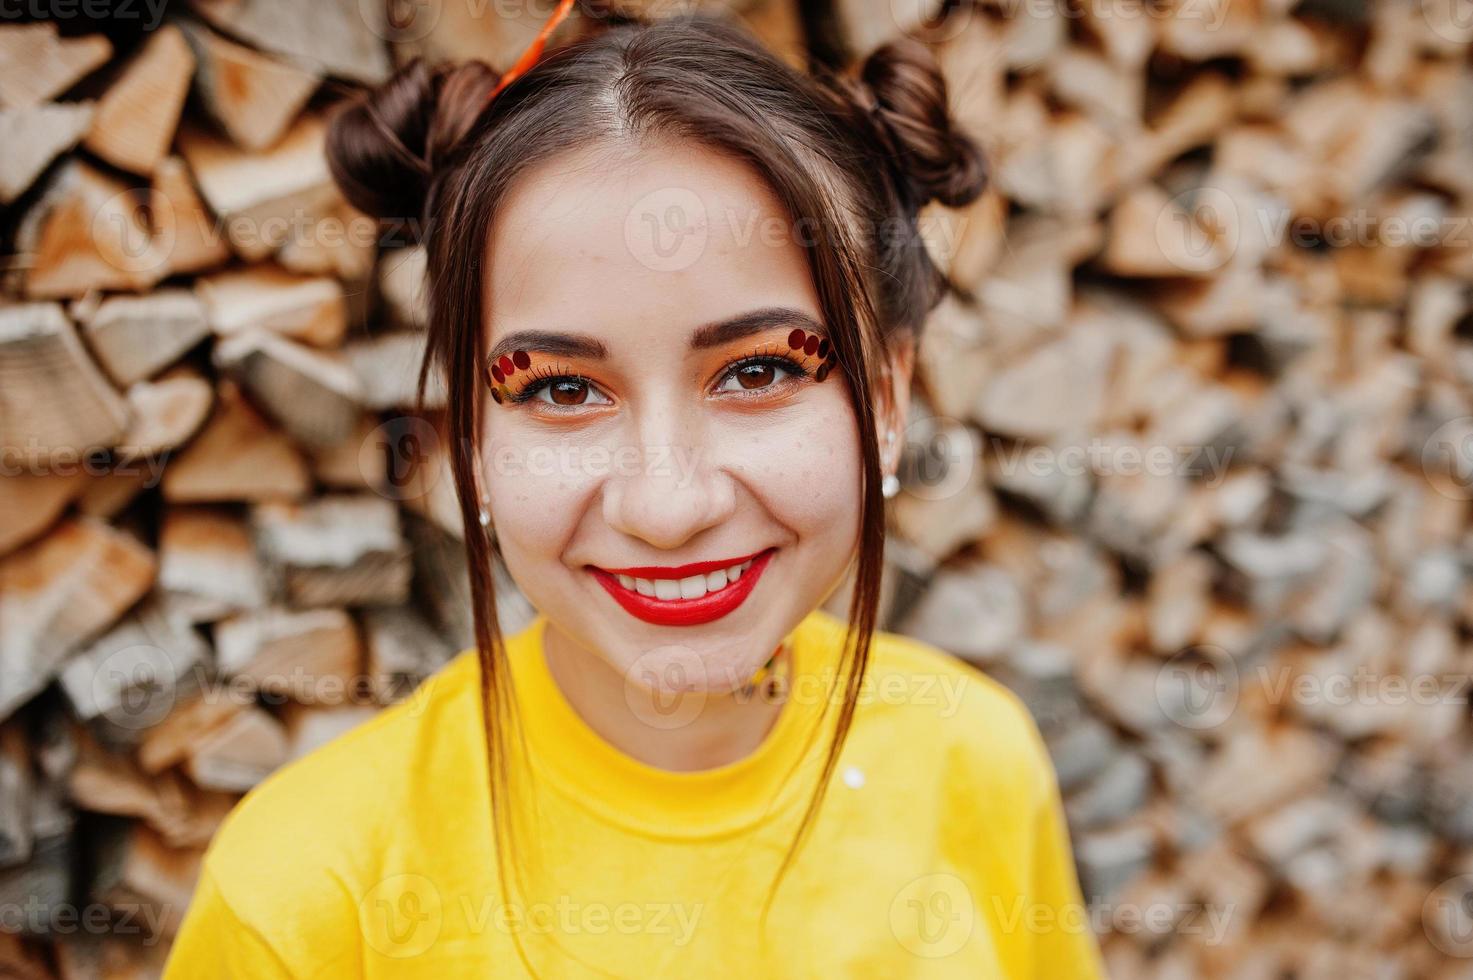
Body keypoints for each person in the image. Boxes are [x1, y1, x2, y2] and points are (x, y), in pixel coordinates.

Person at [162, 13, 1106, 978]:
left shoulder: (977, 759)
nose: (666, 506)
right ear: (472, 439)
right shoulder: (303, 899)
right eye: (562, 390)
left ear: (891, 395)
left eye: (758, 371)